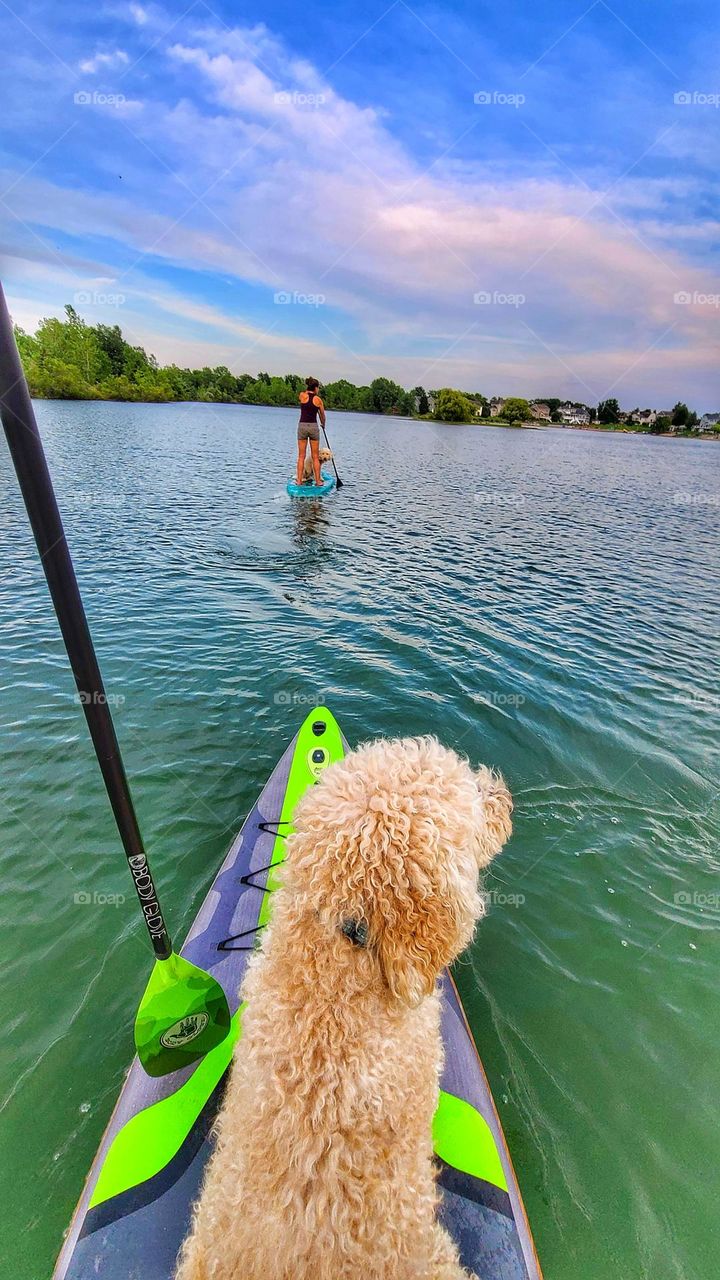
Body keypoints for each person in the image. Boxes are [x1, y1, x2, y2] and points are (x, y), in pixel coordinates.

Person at [296, 377, 326, 486]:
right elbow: (322, 415)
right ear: (315, 388)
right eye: (318, 388)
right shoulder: (318, 400)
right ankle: (318, 481)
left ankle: (299, 481)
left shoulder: (302, 395)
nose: (318, 390)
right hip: (313, 427)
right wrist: (323, 424)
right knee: (315, 457)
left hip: (302, 426)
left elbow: (305, 397)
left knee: (301, 456)